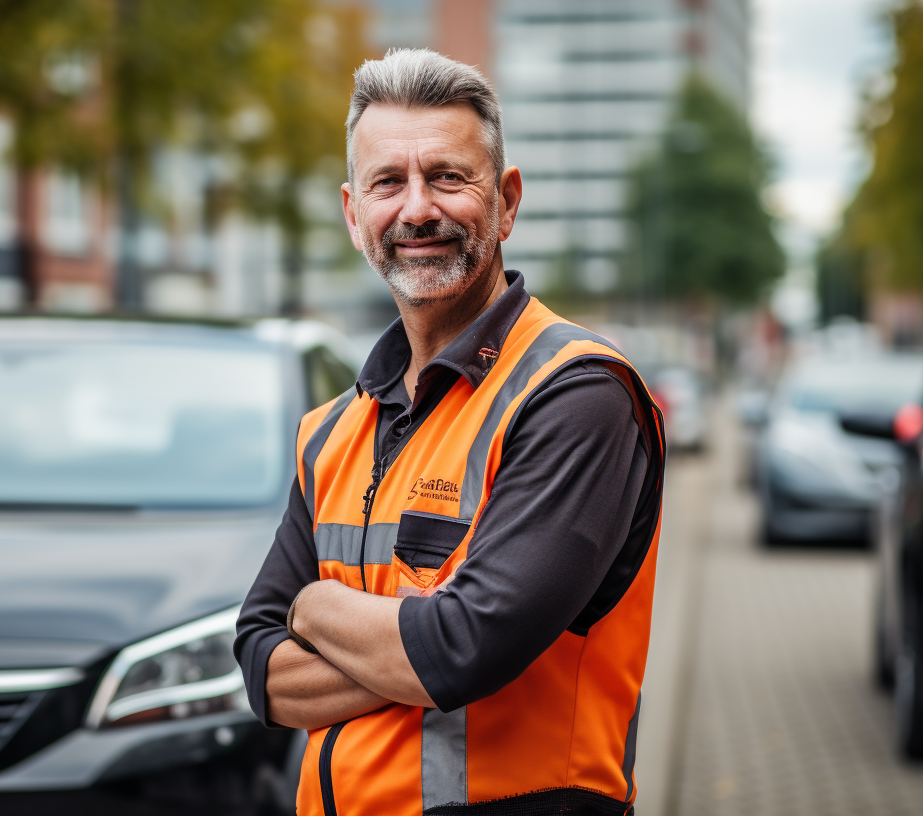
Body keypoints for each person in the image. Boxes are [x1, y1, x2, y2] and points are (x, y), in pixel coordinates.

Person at [234, 48, 666, 816]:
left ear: (506, 201)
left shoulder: (576, 394)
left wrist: (313, 609)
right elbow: (259, 668)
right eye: (387, 183)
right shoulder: (332, 428)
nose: (417, 209)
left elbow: (465, 648)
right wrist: (405, 648)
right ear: (351, 212)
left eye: (447, 176)